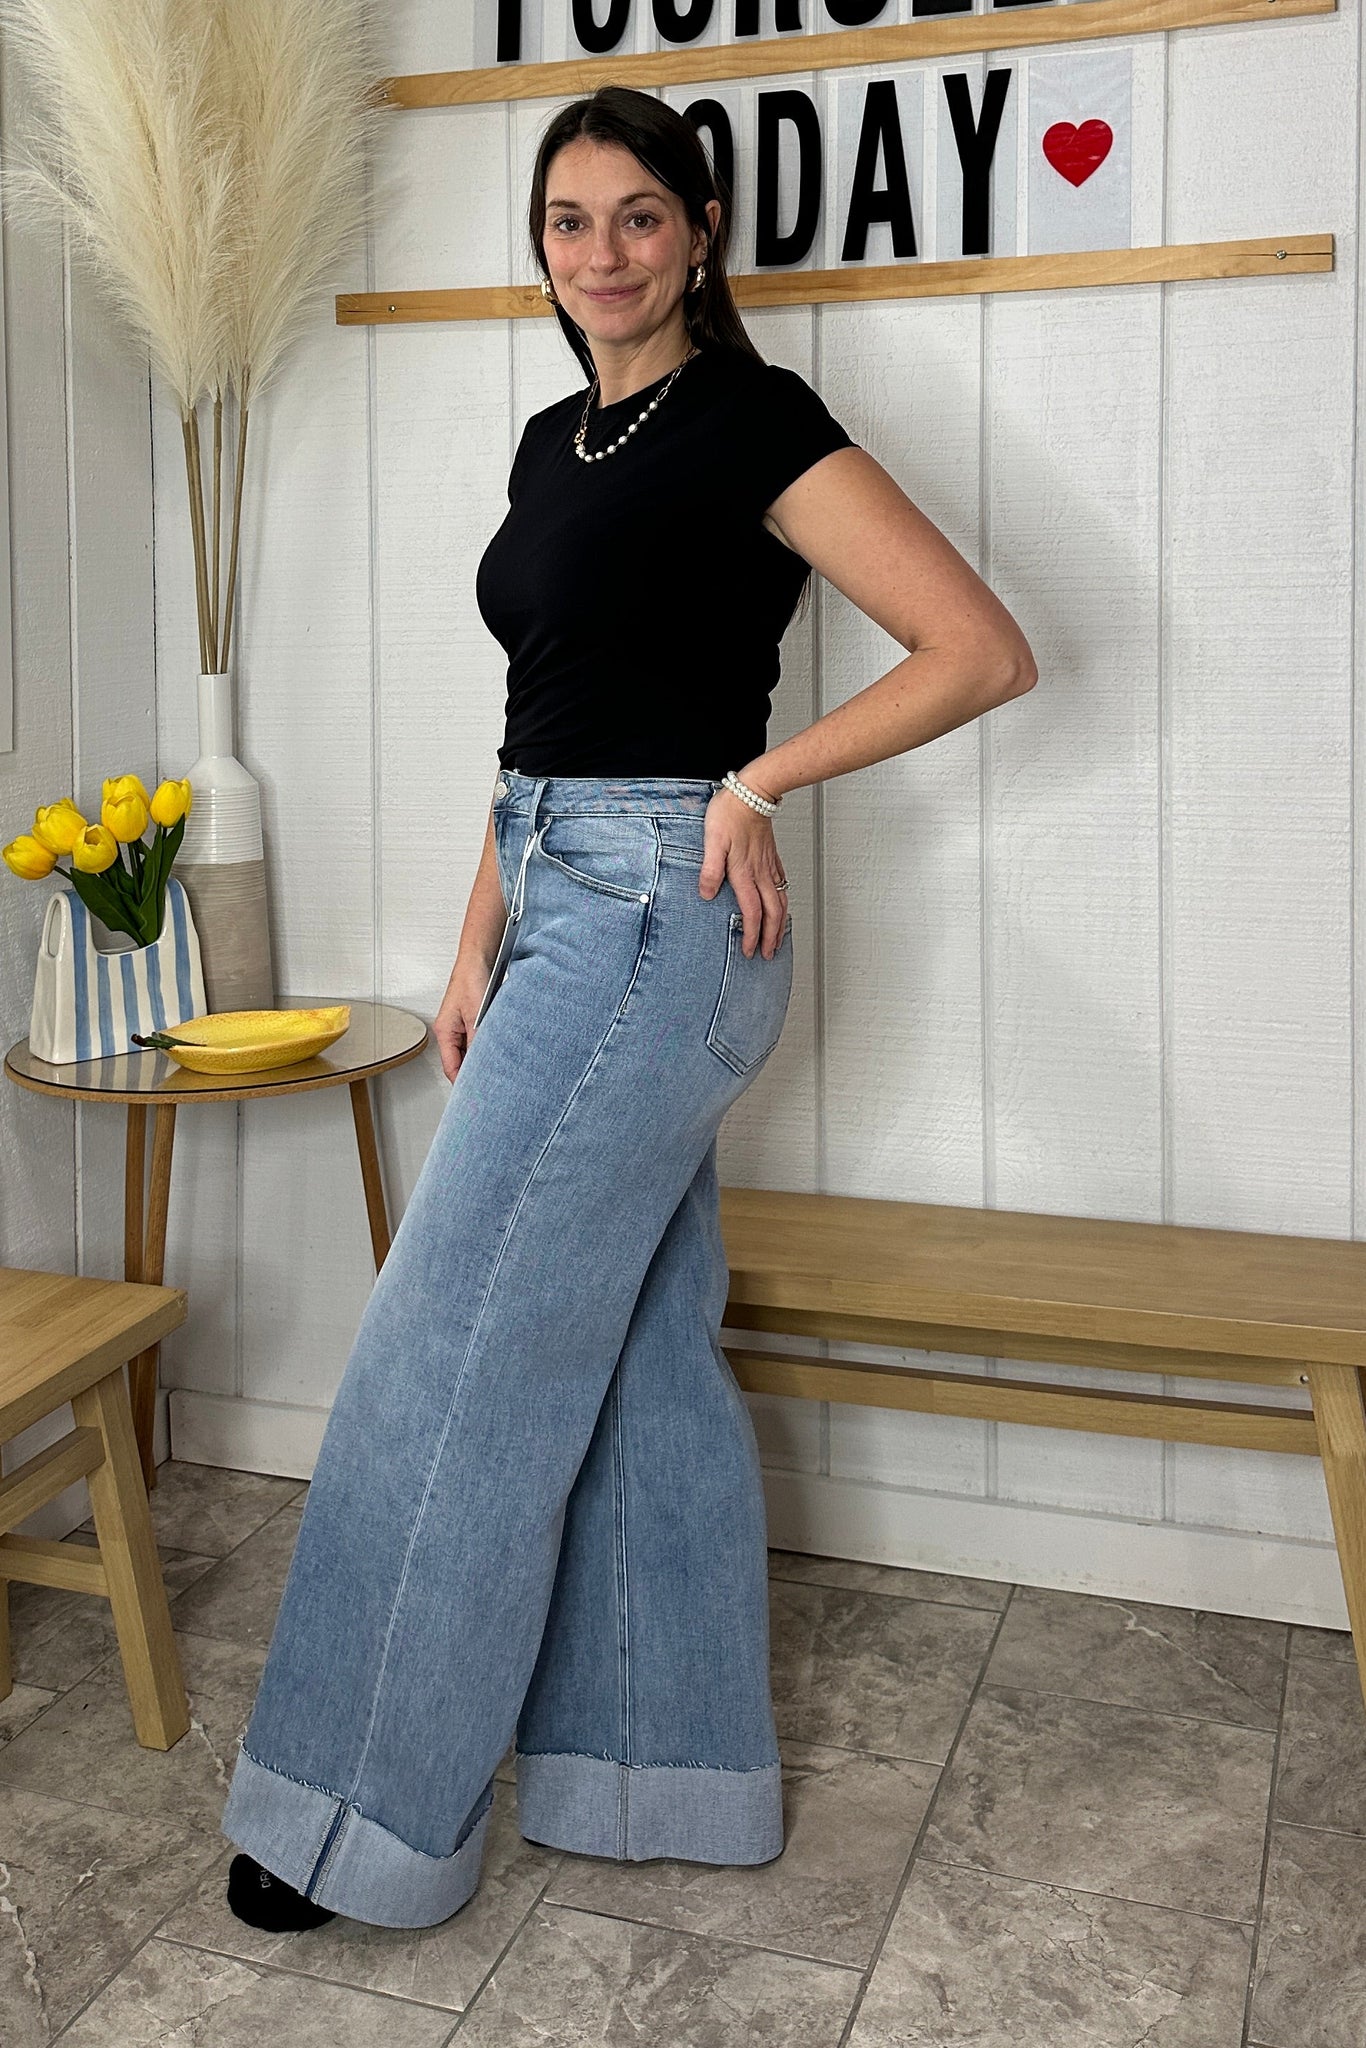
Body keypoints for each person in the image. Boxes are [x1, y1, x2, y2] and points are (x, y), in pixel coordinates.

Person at [219, 82, 1036, 1934]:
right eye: (568, 221)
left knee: (446, 1348)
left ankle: (351, 1819)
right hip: (560, 903)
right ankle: (660, 1777)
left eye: (638, 217)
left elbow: (978, 649)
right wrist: (473, 944)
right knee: (641, 1344)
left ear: (699, 234)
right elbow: (543, 725)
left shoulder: (754, 415)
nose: (601, 254)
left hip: (667, 915)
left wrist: (756, 781)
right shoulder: (552, 439)